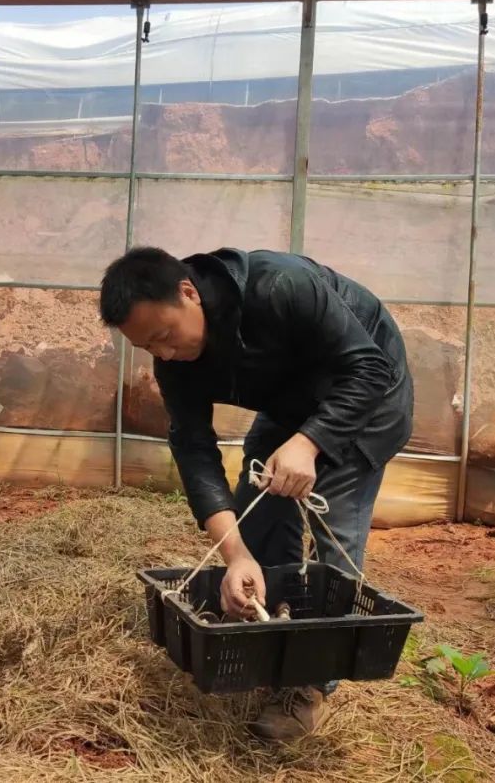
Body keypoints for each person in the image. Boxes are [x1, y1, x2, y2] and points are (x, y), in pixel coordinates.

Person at [99, 247, 414, 741]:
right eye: (148, 348)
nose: (162, 354)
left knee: (338, 538)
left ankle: (308, 685)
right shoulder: (175, 360)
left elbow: (368, 370)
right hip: (290, 402)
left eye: (164, 336)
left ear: (188, 292)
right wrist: (235, 555)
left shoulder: (279, 286)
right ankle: (276, 635)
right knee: (260, 507)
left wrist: (311, 443)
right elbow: (193, 447)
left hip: (367, 391)